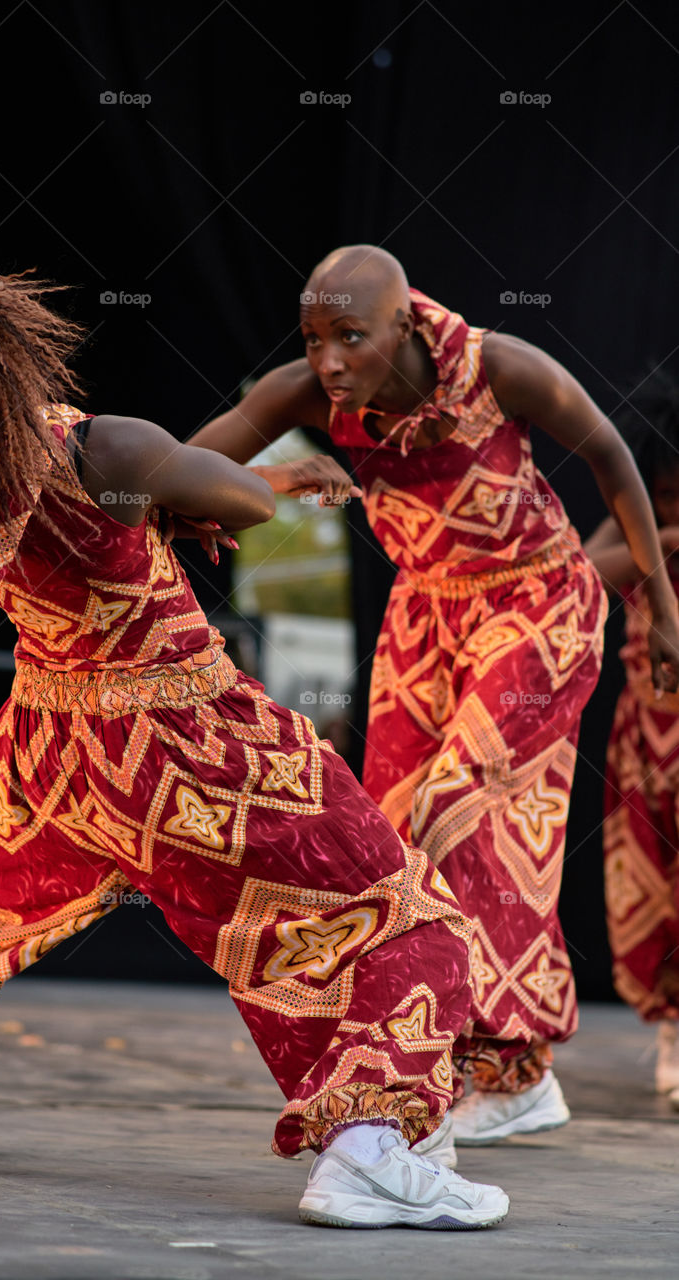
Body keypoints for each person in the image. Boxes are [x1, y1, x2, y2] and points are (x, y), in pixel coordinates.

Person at [0, 219, 510, 1232]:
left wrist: (165, 498)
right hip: (190, 742)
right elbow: (230, 500)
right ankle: (369, 1148)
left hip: (54, 754)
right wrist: (232, 487)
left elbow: (103, 525)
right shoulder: (101, 445)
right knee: (401, 915)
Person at [188, 244, 679, 1146]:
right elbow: (177, 469)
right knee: (391, 834)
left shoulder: (499, 368)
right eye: (313, 339)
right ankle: (430, 1045)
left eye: (350, 336)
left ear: (406, 322)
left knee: (463, 805)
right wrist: (280, 477)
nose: (330, 360)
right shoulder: (307, 395)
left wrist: (665, 602)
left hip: (538, 599)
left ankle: (517, 1068)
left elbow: (612, 453)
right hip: (425, 618)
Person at [584, 371, 679, 1108]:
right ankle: (672, 1028)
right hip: (647, 734)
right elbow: (579, 568)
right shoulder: (640, 510)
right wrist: (663, 542)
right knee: (650, 891)